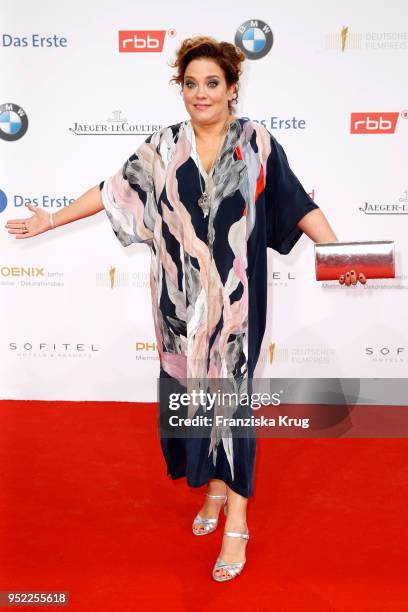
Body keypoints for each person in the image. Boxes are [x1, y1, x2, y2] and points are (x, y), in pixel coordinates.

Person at [4, 36, 366, 582]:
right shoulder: (162, 147)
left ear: (232, 89)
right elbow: (112, 191)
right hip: (178, 311)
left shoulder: (257, 144)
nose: (201, 94)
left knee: (233, 407)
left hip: (239, 307)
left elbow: (298, 204)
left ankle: (237, 520)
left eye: (212, 84)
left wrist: (341, 258)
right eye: (191, 84)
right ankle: (215, 493)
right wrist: (49, 220)